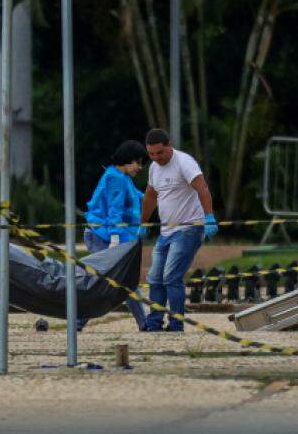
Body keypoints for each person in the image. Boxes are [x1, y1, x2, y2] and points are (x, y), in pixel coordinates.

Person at [139, 128, 218, 332]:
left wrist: (208, 216)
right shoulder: (154, 168)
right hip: (166, 232)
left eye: (160, 153)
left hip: (189, 228)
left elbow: (202, 188)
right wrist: (143, 223)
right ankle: (154, 323)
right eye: (151, 154)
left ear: (169, 146)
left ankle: (176, 325)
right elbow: (150, 197)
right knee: (155, 278)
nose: (156, 158)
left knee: (171, 277)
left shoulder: (185, 162)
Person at [79, 139, 149, 331]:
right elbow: (114, 211)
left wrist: (158, 198)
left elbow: (138, 196)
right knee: (108, 282)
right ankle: (78, 322)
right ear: (128, 160)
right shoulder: (116, 178)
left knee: (122, 281)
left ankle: (144, 323)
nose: (140, 167)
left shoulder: (121, 177)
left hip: (110, 235)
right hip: (104, 237)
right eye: (138, 162)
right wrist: (116, 240)